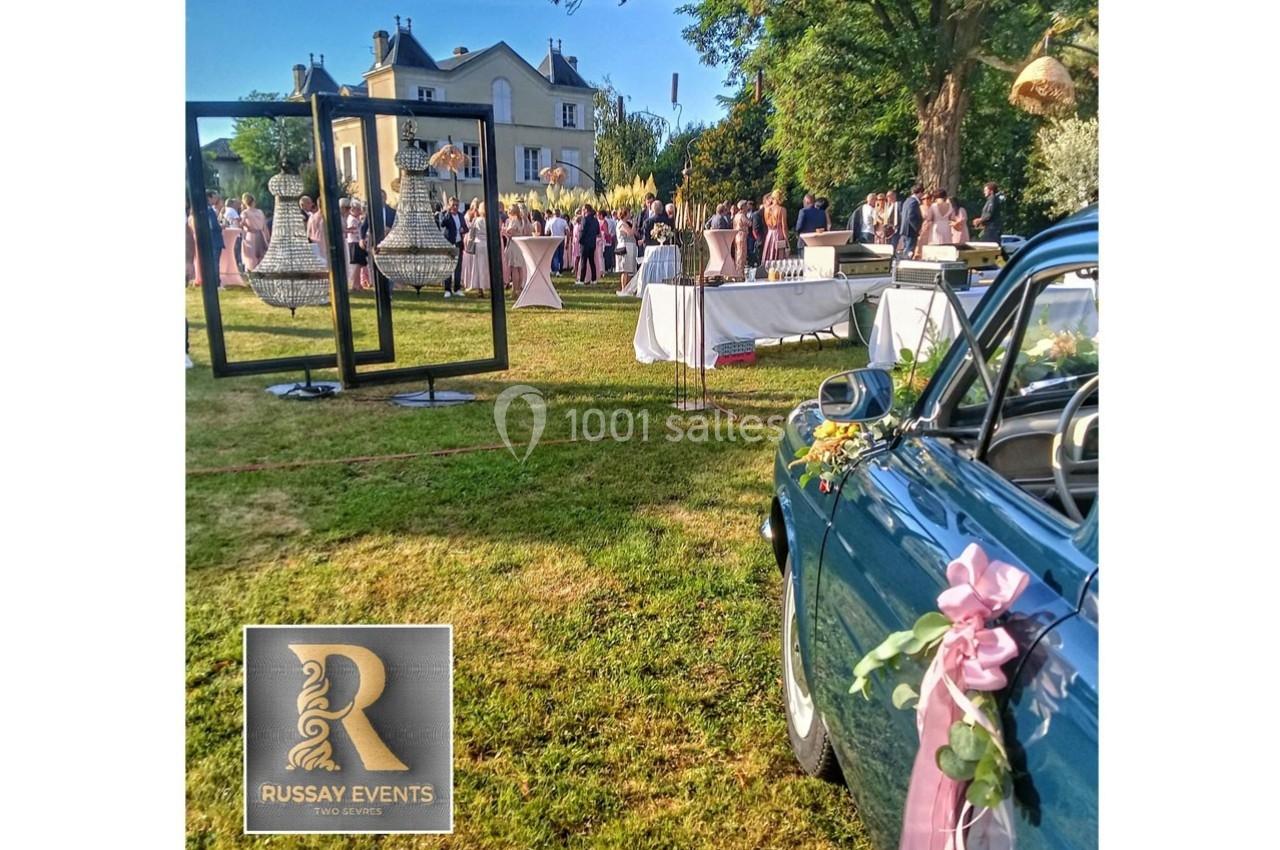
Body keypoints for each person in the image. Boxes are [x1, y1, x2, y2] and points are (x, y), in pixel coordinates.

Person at [439, 196, 468, 298]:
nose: (455, 207)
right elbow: (442, 224)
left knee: (458, 267)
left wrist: (463, 230)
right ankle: (447, 289)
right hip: (449, 243)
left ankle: (457, 288)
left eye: (457, 205)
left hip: (458, 243)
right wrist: (447, 212)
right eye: (453, 205)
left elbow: (466, 228)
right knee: (448, 266)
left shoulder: (460, 215)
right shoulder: (444, 214)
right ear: (449, 205)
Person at [503, 204, 530, 296]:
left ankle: (515, 290)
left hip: (514, 245)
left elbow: (511, 233)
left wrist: (504, 231)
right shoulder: (521, 220)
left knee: (514, 269)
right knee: (520, 268)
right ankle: (519, 289)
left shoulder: (514, 220)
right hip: (520, 245)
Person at [239, 193, 270, 272]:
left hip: (256, 234)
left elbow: (241, 223)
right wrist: (249, 228)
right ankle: (256, 271)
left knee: (256, 254)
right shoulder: (247, 212)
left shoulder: (253, 212)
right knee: (255, 254)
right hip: (255, 234)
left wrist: (248, 227)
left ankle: (256, 270)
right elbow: (242, 223)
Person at [466, 201, 491, 295]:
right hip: (487, 245)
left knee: (478, 266)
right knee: (487, 266)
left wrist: (469, 243)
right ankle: (487, 285)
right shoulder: (490, 220)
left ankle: (480, 288)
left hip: (479, 244)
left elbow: (472, 233)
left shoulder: (476, 220)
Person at [202, 191, 224, 287]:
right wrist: (221, 227)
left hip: (208, 239)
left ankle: (210, 281)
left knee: (211, 262)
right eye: (214, 198)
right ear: (209, 198)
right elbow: (213, 225)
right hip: (214, 239)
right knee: (215, 262)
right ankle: (216, 283)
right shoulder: (210, 210)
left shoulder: (204, 209)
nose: (216, 200)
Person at [615, 207, 638, 293]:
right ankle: (624, 288)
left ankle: (628, 288)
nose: (630, 214)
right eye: (628, 213)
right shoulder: (622, 224)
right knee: (625, 269)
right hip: (625, 247)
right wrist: (634, 224)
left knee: (630, 269)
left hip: (630, 246)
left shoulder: (626, 223)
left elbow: (634, 233)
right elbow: (630, 233)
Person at [762, 191, 789, 263]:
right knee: (779, 259)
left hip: (769, 234)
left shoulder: (766, 209)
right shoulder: (782, 209)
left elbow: (766, 223)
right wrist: (787, 241)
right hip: (779, 234)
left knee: (769, 256)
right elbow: (784, 227)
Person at [576, 203, 601, 285]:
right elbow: (598, 232)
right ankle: (594, 279)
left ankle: (582, 280)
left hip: (584, 243)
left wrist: (580, 240)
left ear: (586, 210)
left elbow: (582, 231)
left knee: (583, 262)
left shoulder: (585, 219)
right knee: (592, 262)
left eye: (583, 210)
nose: (582, 211)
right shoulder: (595, 220)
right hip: (592, 243)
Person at [899, 183, 924, 258]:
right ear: (919, 192)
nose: (922, 195)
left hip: (905, 230)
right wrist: (917, 228)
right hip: (911, 231)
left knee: (906, 250)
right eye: (922, 193)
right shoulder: (914, 202)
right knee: (909, 251)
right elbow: (911, 216)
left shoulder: (907, 201)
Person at [546, 208, 568, 274]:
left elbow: (546, 232)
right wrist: (567, 241)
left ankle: (556, 270)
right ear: (559, 213)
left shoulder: (550, 221)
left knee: (555, 255)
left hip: (554, 239)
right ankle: (560, 270)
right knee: (561, 255)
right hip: (561, 239)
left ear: (554, 214)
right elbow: (567, 231)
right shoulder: (563, 221)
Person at [732, 201, 750, 276]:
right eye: (746, 206)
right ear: (742, 207)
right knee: (742, 255)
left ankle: (738, 271)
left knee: (738, 254)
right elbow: (749, 223)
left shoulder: (736, 216)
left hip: (736, 236)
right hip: (742, 236)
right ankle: (740, 273)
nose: (747, 208)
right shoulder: (742, 216)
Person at [636, 192, 657, 256]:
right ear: (645, 202)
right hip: (645, 243)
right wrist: (642, 239)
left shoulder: (658, 212)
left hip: (656, 242)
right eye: (648, 203)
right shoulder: (642, 214)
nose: (650, 205)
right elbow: (639, 228)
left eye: (651, 202)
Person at [747, 199, 765, 266]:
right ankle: (752, 263)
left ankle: (756, 262)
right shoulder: (756, 215)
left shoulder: (755, 213)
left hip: (755, 236)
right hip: (752, 235)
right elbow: (755, 228)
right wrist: (757, 237)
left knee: (755, 250)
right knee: (752, 250)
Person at [600, 209, 615, 273]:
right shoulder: (611, 221)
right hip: (608, 239)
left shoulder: (604, 222)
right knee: (608, 254)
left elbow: (606, 232)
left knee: (606, 254)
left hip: (605, 239)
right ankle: (608, 267)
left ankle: (607, 267)